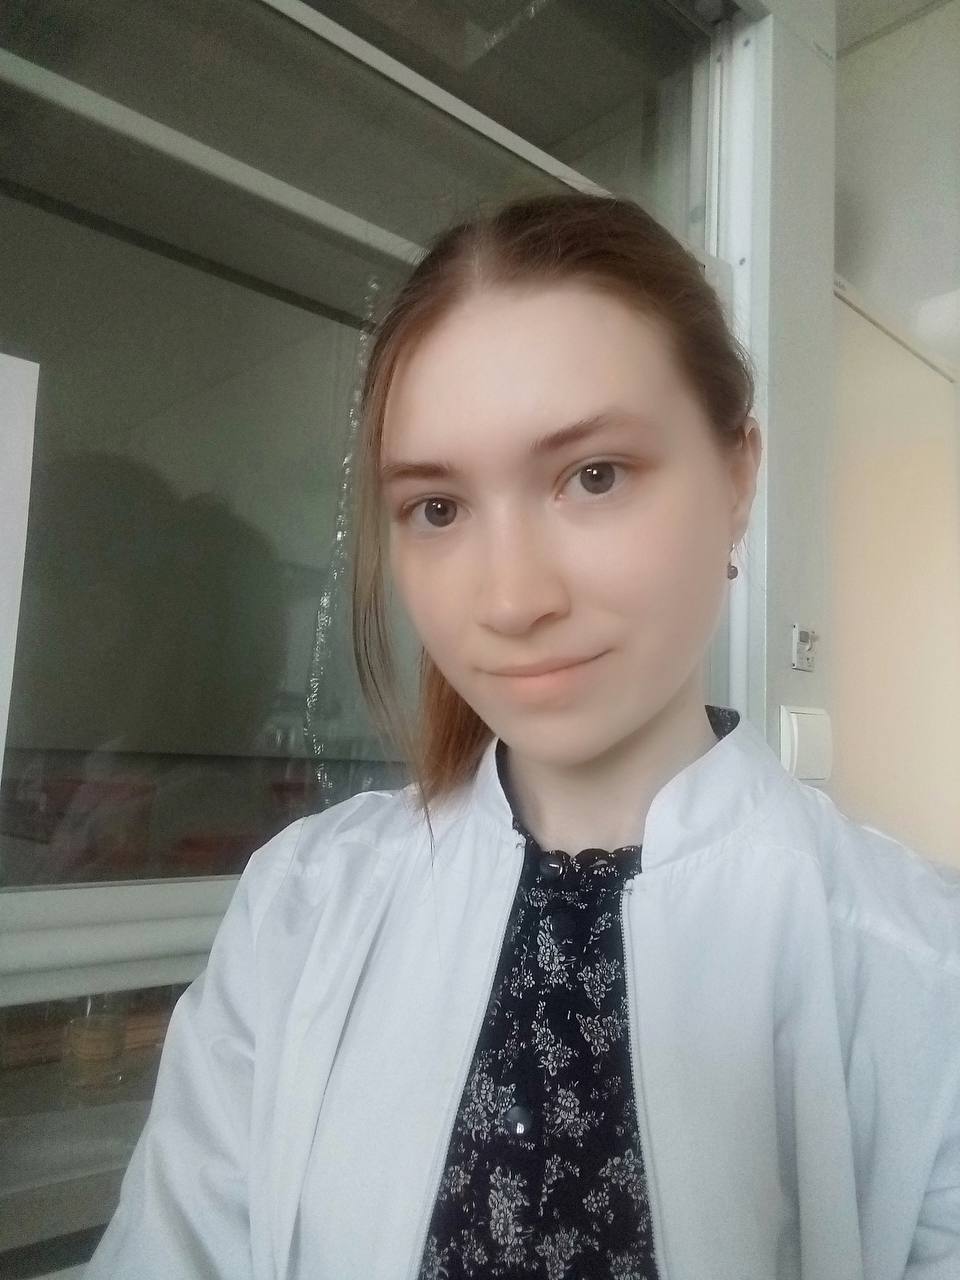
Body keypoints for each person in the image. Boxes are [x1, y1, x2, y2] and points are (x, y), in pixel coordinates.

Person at [84, 193, 960, 1280]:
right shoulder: (300, 908)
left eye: (594, 475)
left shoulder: (924, 969)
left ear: (738, 475)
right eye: (439, 508)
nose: (511, 598)